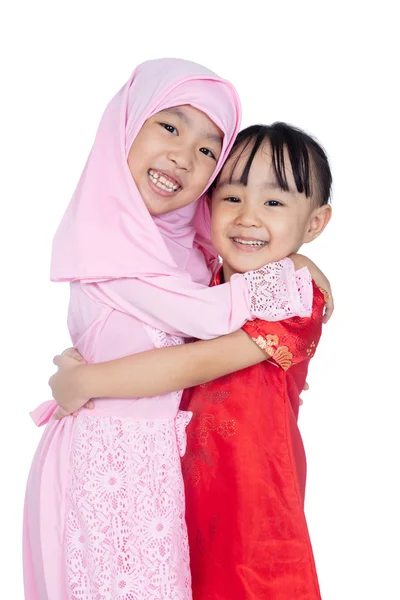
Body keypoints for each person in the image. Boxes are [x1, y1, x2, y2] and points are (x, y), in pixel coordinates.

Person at [24, 58, 328, 600]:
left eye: (209, 148)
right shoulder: (109, 250)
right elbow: (193, 329)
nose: (185, 155)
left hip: (241, 501)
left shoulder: (207, 271)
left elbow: (190, 357)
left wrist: (88, 379)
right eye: (169, 124)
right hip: (124, 476)